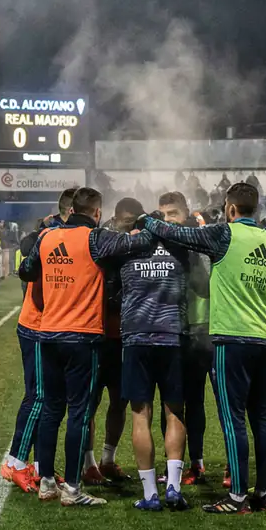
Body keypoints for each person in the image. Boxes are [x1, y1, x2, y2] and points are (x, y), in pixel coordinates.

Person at [138, 183, 266, 514]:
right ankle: (263, 493)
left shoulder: (224, 234)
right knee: (262, 417)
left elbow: (177, 234)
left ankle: (237, 496)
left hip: (232, 338)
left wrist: (146, 221)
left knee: (233, 418)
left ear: (231, 208)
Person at [16, 187, 155, 507]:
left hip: (48, 335)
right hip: (82, 336)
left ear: (70, 210)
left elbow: (25, 270)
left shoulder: (47, 237)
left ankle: (46, 482)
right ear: (97, 213)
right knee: (78, 413)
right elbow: (141, 243)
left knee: (51, 410)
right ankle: (73, 488)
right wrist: (149, 221)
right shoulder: (97, 239)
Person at [103, 198, 191, 511]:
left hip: (136, 338)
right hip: (172, 336)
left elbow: (111, 286)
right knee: (174, 412)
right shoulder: (178, 247)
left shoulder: (126, 248)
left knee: (141, 414)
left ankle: (151, 493)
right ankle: (174, 488)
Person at [0, 188, 74, 494]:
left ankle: (42, 466)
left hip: (49, 326)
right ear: (70, 212)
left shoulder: (58, 235)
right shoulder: (47, 236)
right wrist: (44, 227)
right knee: (39, 396)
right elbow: (27, 250)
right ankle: (15, 463)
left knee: (51, 399)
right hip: (37, 326)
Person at [159, 191, 213, 484]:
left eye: (173, 214)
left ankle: (199, 462)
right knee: (172, 402)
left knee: (200, 401)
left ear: (186, 213)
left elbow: (205, 284)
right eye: (164, 215)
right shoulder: (161, 243)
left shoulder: (200, 239)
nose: (168, 220)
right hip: (173, 331)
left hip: (203, 328)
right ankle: (177, 465)